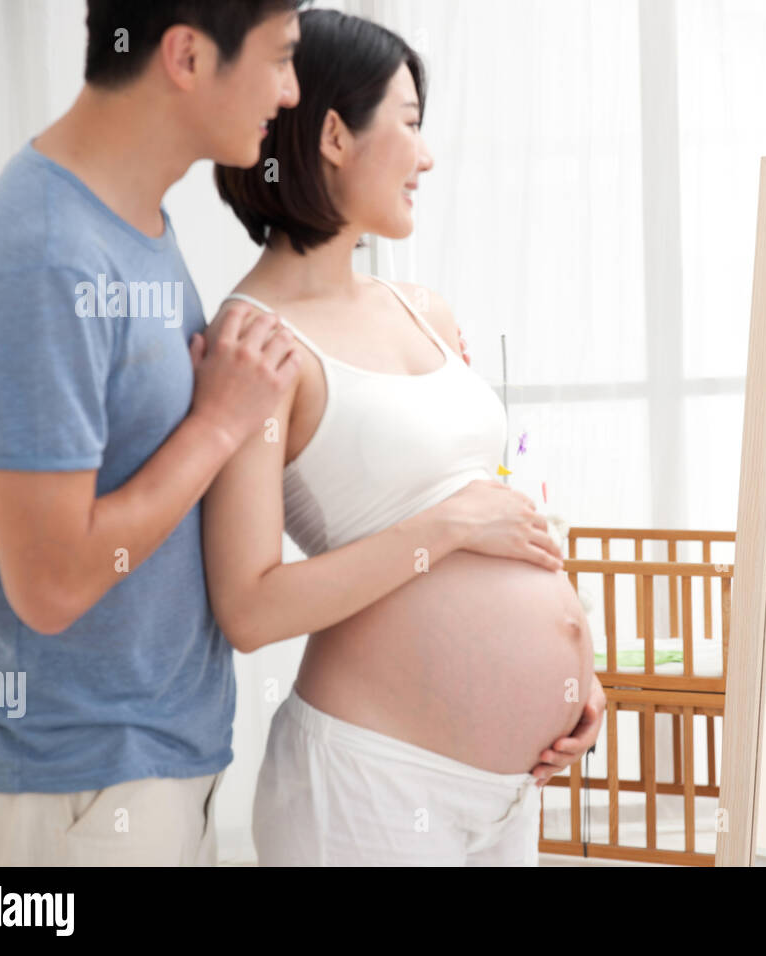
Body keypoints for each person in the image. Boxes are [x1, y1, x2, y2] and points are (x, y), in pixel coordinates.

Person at [203, 8, 605, 866]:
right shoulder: (256, 341)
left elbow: (498, 504)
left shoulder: (421, 310)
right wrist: (448, 530)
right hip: (369, 785)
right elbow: (248, 606)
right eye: (412, 124)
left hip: (507, 792)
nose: (425, 157)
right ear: (337, 135)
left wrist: (576, 678)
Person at [0, 0, 308, 865]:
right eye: (280, 57)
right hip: (65, 793)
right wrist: (216, 426)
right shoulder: (48, 258)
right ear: (184, 55)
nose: (288, 90)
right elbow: (51, 585)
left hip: (143, 773)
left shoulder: (130, 222)